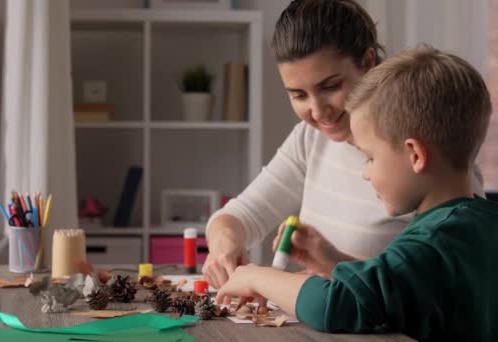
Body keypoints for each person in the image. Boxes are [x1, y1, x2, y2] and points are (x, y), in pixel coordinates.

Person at [216, 45, 498, 341]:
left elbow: (336, 304)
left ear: (415, 155)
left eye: (370, 158)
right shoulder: (475, 226)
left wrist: (257, 276)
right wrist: (334, 261)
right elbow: (399, 286)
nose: (365, 172)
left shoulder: (431, 241)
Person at [202, 0, 484, 290]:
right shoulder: (310, 139)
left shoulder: (422, 157)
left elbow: (439, 286)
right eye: (298, 95)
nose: (318, 111)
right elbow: (241, 215)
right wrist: (225, 245)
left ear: (368, 61)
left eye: (330, 86)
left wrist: (266, 279)